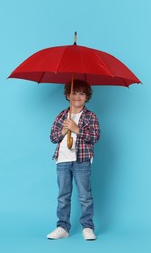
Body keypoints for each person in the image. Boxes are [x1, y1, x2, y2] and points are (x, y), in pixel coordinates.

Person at [47, 79, 100, 241]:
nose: (77, 96)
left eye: (81, 93)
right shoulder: (62, 115)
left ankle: (88, 227)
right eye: (74, 93)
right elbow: (53, 137)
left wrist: (77, 129)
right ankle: (63, 227)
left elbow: (95, 137)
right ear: (68, 95)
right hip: (63, 159)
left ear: (87, 97)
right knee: (63, 195)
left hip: (81, 160)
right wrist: (64, 130)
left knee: (85, 196)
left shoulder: (90, 116)